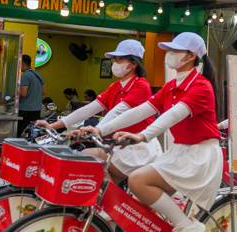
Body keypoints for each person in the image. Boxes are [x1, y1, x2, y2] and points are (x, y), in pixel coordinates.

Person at [85, 33, 223, 232]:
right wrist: (101, 130)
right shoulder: (171, 86)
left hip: (199, 154)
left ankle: (186, 225)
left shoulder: (200, 86)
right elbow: (141, 111)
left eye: (174, 50)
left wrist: (141, 135)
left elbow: (171, 116)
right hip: (179, 152)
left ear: (191, 57)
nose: (169, 54)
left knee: (137, 180)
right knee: (134, 210)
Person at [37, 40, 162, 189]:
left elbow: (117, 113)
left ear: (133, 63)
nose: (115, 62)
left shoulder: (141, 86)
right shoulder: (115, 86)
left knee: (87, 156)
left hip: (138, 147)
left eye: (119, 59)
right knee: (103, 188)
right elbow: (88, 109)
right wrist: (53, 126)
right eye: (114, 59)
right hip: (119, 145)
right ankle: (106, 209)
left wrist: (94, 131)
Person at [17, 54, 45, 137]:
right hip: (37, 109)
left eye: (19, 65)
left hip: (25, 109)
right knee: (32, 132)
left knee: (19, 131)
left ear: (23, 64)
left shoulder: (25, 76)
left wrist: (13, 93)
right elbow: (43, 92)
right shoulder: (39, 76)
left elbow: (23, 93)